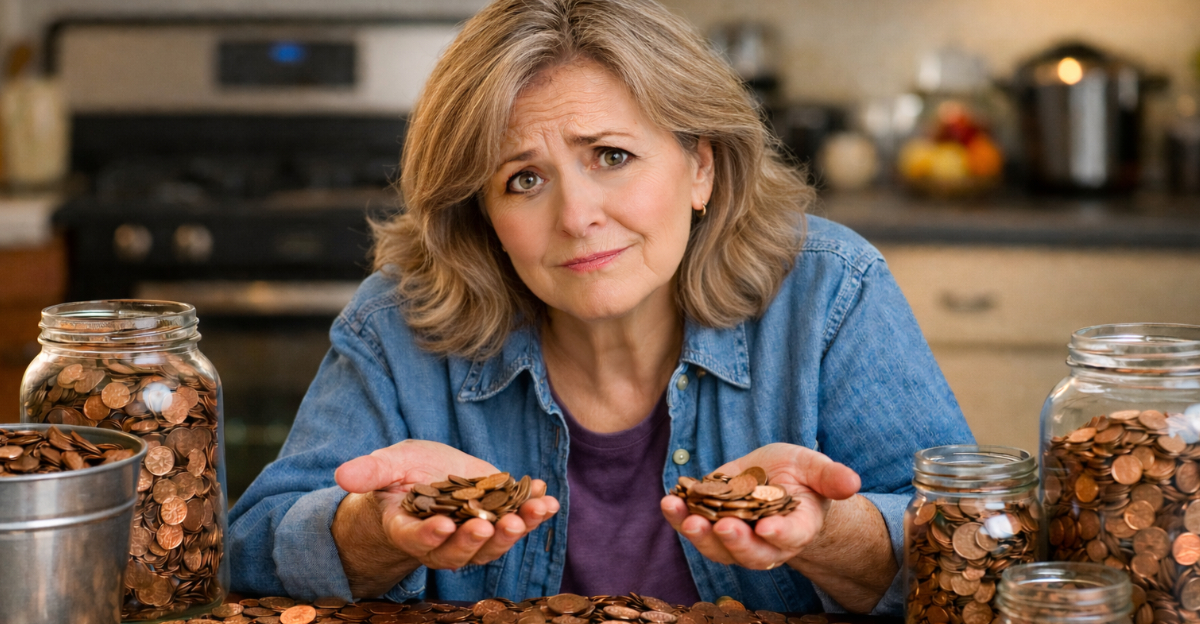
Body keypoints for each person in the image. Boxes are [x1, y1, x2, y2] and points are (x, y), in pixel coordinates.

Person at [228, 0, 973, 616]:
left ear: (700, 166)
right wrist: (375, 531)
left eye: (610, 156)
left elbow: (972, 553)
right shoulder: (399, 320)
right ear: (482, 212)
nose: (577, 216)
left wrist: (824, 532)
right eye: (523, 179)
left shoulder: (829, 293)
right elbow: (250, 550)